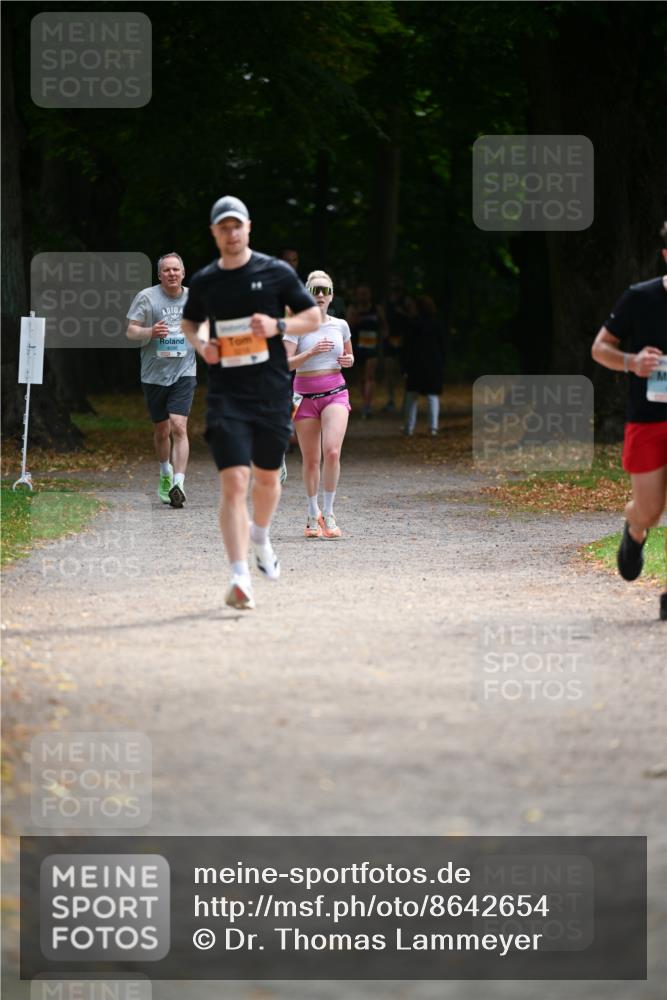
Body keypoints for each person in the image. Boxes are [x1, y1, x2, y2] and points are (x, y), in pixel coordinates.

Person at [181, 195, 320, 610]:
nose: (231, 232)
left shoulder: (274, 272)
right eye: (223, 227)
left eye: (236, 225)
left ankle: (260, 534)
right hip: (227, 394)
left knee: (266, 479)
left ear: (248, 227)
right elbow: (191, 321)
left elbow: (310, 316)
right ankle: (239, 576)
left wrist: (278, 324)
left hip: (272, 391)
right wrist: (202, 343)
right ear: (214, 233)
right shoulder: (206, 280)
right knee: (234, 482)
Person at [591, 222, 667, 620]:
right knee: (651, 509)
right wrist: (631, 363)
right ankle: (634, 526)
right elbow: (599, 348)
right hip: (649, 418)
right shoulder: (641, 298)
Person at [283, 270, 354, 539]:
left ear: (332, 295)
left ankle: (329, 511)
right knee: (312, 460)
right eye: (315, 290)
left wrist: (349, 361)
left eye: (325, 290)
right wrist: (311, 352)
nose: (321, 295)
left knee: (332, 452)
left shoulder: (341, 325)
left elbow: (349, 356)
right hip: (304, 397)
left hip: (335, 392)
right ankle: (313, 514)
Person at [126, 252, 195, 508]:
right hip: (154, 373)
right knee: (162, 430)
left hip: (184, 371)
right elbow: (131, 331)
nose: (172, 274)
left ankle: (179, 482)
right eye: (166, 270)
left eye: (176, 270)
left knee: (178, 425)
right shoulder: (147, 297)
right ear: (159, 275)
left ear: (183, 273)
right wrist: (151, 331)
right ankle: (165, 472)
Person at [402, 295, 446, 436]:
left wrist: (405, 367)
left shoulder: (412, 325)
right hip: (434, 365)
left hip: (415, 366)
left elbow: (407, 348)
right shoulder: (437, 324)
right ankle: (433, 427)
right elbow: (443, 347)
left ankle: (409, 428)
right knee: (432, 397)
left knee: (411, 396)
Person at [346, 285, 385, 418]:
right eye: (360, 294)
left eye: (365, 294)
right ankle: (365, 402)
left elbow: (384, 326)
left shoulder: (376, 309)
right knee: (362, 378)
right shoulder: (353, 309)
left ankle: (367, 406)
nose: (363, 297)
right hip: (358, 347)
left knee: (369, 376)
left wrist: (383, 339)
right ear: (357, 296)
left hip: (373, 347)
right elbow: (347, 327)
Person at [383, 274, 416, 413]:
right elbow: (384, 318)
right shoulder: (387, 301)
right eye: (393, 282)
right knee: (389, 370)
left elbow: (414, 317)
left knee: (405, 372)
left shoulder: (407, 300)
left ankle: (405, 400)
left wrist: (403, 313)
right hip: (390, 339)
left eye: (397, 282)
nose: (395, 285)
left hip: (405, 340)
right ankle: (391, 400)